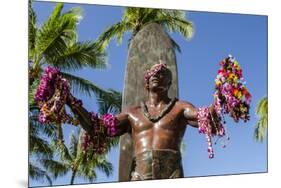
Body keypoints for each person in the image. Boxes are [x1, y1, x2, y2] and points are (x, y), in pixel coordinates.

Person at [67, 62, 218, 180]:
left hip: (172, 174)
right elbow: (98, 127)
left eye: (162, 73)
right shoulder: (132, 113)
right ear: (146, 81)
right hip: (139, 176)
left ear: (169, 83)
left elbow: (204, 117)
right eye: (153, 73)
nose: (156, 75)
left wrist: (220, 97)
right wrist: (70, 101)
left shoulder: (180, 107)